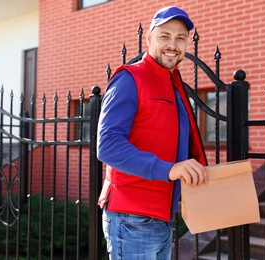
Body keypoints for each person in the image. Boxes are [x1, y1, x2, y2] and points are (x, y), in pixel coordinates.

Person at [97, 6, 208, 260]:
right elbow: (108, 146)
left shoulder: (173, 85)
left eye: (180, 38)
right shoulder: (130, 78)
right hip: (131, 218)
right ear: (149, 39)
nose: (173, 44)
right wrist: (169, 169)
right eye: (165, 36)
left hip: (164, 218)